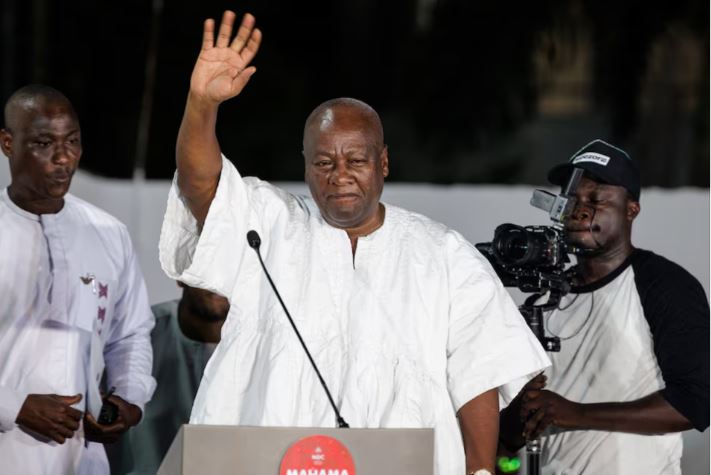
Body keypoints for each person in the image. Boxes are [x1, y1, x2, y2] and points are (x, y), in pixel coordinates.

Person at [158, 11, 550, 474]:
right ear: (305, 166)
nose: (339, 175)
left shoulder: (442, 254)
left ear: (383, 162)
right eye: (323, 162)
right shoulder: (267, 224)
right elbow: (200, 183)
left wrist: (481, 469)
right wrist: (201, 103)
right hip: (269, 459)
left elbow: (479, 373)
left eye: (356, 160)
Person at [499, 140, 709, 474]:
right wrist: (520, 414)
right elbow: (511, 435)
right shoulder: (545, 298)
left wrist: (575, 413)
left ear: (631, 209)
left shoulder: (663, 284)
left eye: (597, 199)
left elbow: (692, 406)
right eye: (572, 199)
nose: (581, 210)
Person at [0, 85, 156, 475]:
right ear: (7, 143)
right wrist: (14, 406)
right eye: (43, 143)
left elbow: (131, 334)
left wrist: (129, 399)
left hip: (80, 457)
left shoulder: (108, 233)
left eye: (72, 141)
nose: (64, 157)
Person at [107, 283, 230, 474]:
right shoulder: (132, 338)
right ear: (180, 275)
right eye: (208, 263)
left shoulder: (268, 344)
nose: (219, 280)